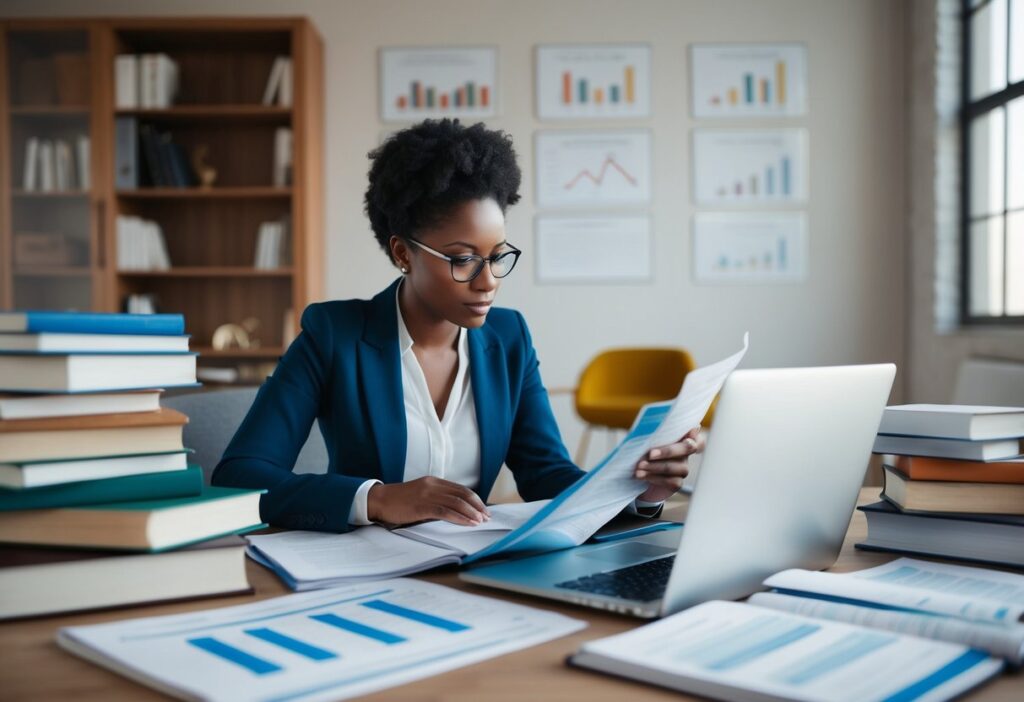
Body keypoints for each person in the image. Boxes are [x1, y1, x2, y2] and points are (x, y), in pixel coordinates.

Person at [212, 119, 702, 532]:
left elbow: (547, 475)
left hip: (471, 574)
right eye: (463, 259)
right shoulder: (334, 334)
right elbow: (240, 476)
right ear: (403, 252)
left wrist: (640, 494)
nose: (488, 281)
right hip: (356, 577)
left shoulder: (509, 340)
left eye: (497, 256)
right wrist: (378, 499)